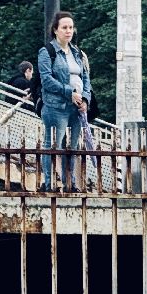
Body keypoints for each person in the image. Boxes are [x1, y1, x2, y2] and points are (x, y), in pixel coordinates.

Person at [36, 11, 89, 190]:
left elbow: (86, 77)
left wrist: (85, 99)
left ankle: (70, 183)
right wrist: (69, 92)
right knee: (53, 145)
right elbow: (46, 80)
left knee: (72, 148)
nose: (68, 31)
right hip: (55, 106)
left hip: (76, 107)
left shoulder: (77, 53)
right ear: (55, 30)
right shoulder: (47, 52)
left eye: (71, 27)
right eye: (64, 28)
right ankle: (49, 183)